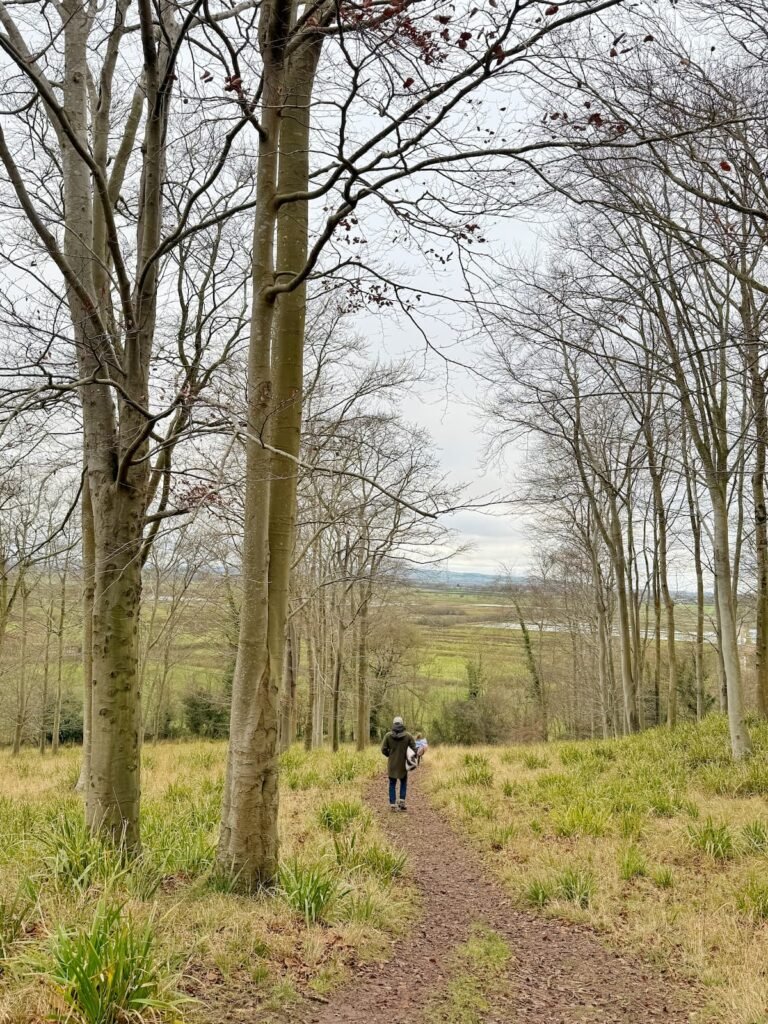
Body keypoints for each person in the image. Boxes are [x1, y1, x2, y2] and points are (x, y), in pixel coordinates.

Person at [381, 716, 418, 811]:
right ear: (402, 724)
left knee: (392, 784)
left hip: (392, 764)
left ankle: (392, 805)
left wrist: (389, 755)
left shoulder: (388, 736)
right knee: (403, 782)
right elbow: (414, 749)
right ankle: (402, 802)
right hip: (403, 764)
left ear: (393, 724)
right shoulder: (408, 736)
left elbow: (383, 749)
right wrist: (410, 757)